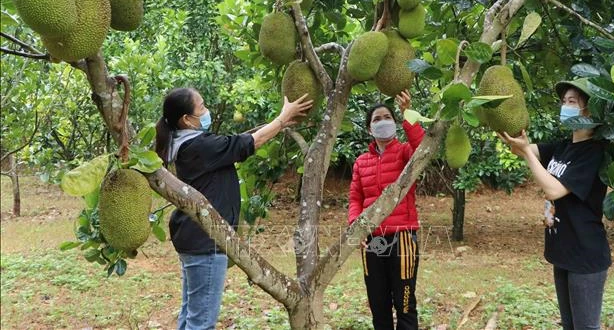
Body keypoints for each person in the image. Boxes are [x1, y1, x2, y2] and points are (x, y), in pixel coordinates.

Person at [155, 87, 312, 330]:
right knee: (201, 322)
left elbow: (235, 143)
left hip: (194, 238)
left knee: (190, 314)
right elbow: (251, 142)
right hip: (205, 242)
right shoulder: (199, 147)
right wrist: (282, 119)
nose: (206, 111)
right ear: (186, 119)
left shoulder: (185, 144)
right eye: (202, 108)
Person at [497, 79, 611, 330]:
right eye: (563, 102)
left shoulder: (593, 152)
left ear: (588, 111)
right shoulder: (562, 147)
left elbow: (554, 189)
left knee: (585, 327)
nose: (565, 106)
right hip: (563, 252)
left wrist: (527, 152)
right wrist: (497, 116)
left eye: (572, 102)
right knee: (569, 325)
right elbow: (521, 148)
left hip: (585, 254)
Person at [348, 90, 425, 330]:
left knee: (404, 303)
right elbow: (355, 198)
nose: (383, 122)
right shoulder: (361, 162)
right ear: (370, 129)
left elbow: (422, 147)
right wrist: (355, 227)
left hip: (402, 237)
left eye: (387, 117)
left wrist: (407, 113)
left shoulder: (404, 152)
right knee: (378, 303)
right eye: (377, 119)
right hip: (372, 239)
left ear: (395, 122)